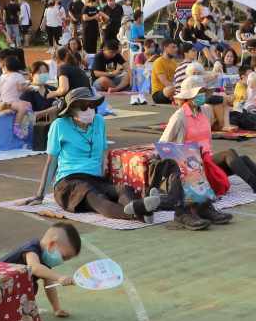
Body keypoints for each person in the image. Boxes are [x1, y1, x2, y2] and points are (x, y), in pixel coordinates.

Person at [30, 87, 190, 225]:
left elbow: (102, 153)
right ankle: (138, 213)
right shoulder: (59, 125)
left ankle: (141, 209)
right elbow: (51, 161)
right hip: (69, 180)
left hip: (95, 177)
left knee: (123, 189)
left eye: (92, 105)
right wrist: (40, 194)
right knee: (96, 197)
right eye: (84, 106)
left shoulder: (99, 121)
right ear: (72, 110)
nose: (89, 110)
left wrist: (104, 176)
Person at [158, 76, 256, 203]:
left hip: (207, 160)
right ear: (189, 96)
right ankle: (255, 183)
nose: (203, 95)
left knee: (243, 159)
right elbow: (163, 145)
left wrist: (226, 114)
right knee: (229, 153)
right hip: (192, 165)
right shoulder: (179, 117)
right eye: (200, 92)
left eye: (203, 92)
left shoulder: (204, 111)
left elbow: (224, 103)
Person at [1, 222, 82, 318]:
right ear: (52, 244)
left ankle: (13, 312)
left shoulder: (45, 262)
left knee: (31, 286)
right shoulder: (32, 248)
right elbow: (34, 268)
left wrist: (57, 309)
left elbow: (50, 285)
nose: (62, 262)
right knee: (31, 286)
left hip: (9, 289)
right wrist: (59, 277)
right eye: (64, 257)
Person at [149, 39, 180, 105]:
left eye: (176, 47)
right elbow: (165, 82)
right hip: (159, 94)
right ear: (165, 48)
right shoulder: (158, 62)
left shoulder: (174, 63)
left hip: (172, 90)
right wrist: (179, 90)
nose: (176, 49)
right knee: (171, 89)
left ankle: (176, 98)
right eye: (173, 47)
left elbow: (177, 79)